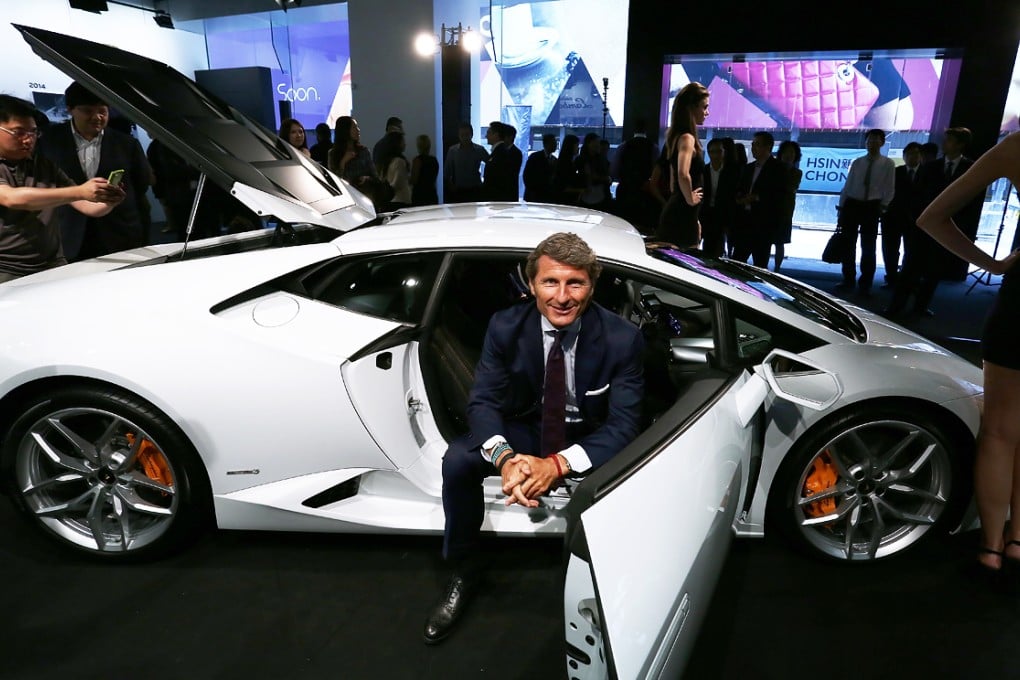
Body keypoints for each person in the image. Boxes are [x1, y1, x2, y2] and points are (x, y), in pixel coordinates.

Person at [423, 231, 644, 644]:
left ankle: (614, 581)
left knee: (631, 470)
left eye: (574, 283)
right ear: (531, 285)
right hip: (526, 425)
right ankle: (464, 567)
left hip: (586, 434)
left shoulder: (622, 338)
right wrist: (507, 459)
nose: (562, 297)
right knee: (458, 460)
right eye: (550, 282)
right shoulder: (506, 326)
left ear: (591, 287)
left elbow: (624, 425)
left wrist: (557, 464)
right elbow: (483, 403)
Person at [915, 131, 1020, 576]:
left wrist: (993, 264)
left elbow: (932, 218)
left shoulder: (1016, 147)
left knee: (999, 431)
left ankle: (992, 548)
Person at [0, 94, 124, 282]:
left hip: (53, 264)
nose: (28, 140)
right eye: (18, 132)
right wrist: (81, 191)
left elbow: (87, 206)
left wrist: (108, 201)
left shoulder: (43, 165)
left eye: (33, 132)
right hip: (7, 269)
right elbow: (13, 198)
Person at [38, 81, 150, 261]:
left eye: (102, 111)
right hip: (67, 230)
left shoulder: (126, 143)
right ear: (70, 109)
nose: (97, 117)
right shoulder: (48, 141)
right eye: (88, 111)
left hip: (118, 228)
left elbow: (141, 182)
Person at [887, 128, 982, 316]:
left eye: (949, 140)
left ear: (960, 144)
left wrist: (962, 230)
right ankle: (895, 307)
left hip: (948, 230)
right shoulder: (930, 167)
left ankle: (920, 308)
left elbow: (973, 202)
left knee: (934, 272)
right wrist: (917, 221)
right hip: (923, 228)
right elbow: (916, 197)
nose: (944, 144)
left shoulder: (970, 169)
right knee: (909, 269)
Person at [833, 128, 895, 295]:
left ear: (882, 142)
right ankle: (848, 279)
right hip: (852, 205)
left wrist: (883, 206)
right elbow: (847, 186)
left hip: (872, 206)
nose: (872, 143)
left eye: (876, 140)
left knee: (868, 247)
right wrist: (841, 207)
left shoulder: (888, 164)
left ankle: (865, 284)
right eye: (869, 140)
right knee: (848, 245)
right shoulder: (857, 162)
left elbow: (890, 188)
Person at [653, 82, 709, 250]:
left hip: (680, 211)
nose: (707, 112)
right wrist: (690, 201)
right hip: (682, 212)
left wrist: (693, 216)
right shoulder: (687, 138)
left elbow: (672, 184)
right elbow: (682, 174)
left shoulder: (676, 137)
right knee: (686, 264)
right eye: (704, 107)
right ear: (692, 108)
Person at [732, 131, 786, 266]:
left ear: (768, 147)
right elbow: (739, 188)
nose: (753, 148)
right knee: (737, 261)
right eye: (753, 144)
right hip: (745, 220)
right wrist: (739, 198)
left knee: (760, 263)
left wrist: (757, 197)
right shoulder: (748, 168)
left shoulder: (778, 169)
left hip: (763, 223)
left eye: (758, 145)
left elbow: (779, 195)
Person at [880, 141, 923, 287]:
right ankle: (891, 278)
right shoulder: (895, 172)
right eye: (909, 154)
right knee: (890, 250)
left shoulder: (927, 173)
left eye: (916, 154)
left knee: (911, 251)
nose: (912, 157)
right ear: (904, 156)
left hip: (916, 219)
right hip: (892, 217)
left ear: (921, 156)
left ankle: (906, 279)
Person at [611, 120, 658, 232]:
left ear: (633, 130)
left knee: (623, 225)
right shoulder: (653, 147)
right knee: (642, 226)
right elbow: (657, 169)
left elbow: (614, 170)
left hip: (625, 190)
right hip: (644, 191)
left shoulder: (623, 146)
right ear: (647, 130)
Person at [699, 137, 739, 257]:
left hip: (723, 213)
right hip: (706, 212)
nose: (715, 155)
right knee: (705, 243)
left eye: (719, 151)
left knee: (719, 244)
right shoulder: (704, 170)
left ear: (724, 152)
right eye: (712, 152)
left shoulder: (732, 171)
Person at [327, 116, 380, 202]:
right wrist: (343, 162)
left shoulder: (363, 151)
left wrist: (366, 178)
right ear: (345, 130)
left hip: (366, 197)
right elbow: (334, 182)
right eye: (354, 127)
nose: (358, 130)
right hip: (346, 199)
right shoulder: (333, 154)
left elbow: (375, 176)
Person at [773, 140, 803, 272]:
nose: (789, 155)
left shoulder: (797, 172)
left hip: (785, 211)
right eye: (786, 152)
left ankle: (777, 269)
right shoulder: (772, 168)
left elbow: (790, 188)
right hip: (770, 209)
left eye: (792, 152)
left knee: (780, 242)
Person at [443, 122, 488, 203]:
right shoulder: (453, 150)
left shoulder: (479, 149)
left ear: (471, 135)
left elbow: (491, 164)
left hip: (475, 189)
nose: (464, 137)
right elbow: (447, 171)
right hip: (458, 190)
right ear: (459, 135)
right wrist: (451, 186)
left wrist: (485, 182)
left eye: (467, 134)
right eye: (462, 135)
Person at [575, 133, 612, 212]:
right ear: (589, 143)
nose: (598, 145)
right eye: (596, 142)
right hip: (589, 193)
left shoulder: (598, 159)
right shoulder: (583, 159)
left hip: (594, 193)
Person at [482, 121, 516, 202]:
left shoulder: (501, 153)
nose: (486, 136)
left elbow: (499, 180)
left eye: (489, 133)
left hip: (497, 199)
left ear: (496, 135)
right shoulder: (499, 152)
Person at [378, 130, 411, 211]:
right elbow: (397, 183)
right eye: (402, 141)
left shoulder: (386, 161)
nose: (405, 144)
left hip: (390, 201)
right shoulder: (399, 161)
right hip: (400, 200)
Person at [522, 133, 557, 203]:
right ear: (546, 144)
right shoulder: (534, 157)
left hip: (547, 197)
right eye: (553, 143)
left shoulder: (555, 160)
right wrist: (532, 192)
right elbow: (526, 175)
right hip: (534, 196)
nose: (555, 145)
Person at [410, 134, 439, 206]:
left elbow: (414, 180)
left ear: (419, 146)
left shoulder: (417, 160)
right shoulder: (434, 160)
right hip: (432, 193)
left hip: (419, 196)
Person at [552, 134, 582, 205]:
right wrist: (580, 190)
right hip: (565, 199)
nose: (578, 148)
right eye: (576, 146)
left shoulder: (565, 161)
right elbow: (562, 186)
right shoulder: (566, 163)